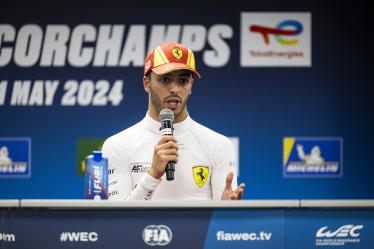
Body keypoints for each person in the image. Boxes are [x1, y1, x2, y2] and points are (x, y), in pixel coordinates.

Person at [102, 42, 245, 201]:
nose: (175, 89)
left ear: (191, 86)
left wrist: (228, 211)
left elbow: (222, 221)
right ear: (146, 83)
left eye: (183, 81)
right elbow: (115, 219)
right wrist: (153, 175)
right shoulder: (117, 145)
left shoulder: (219, 145)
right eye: (165, 79)